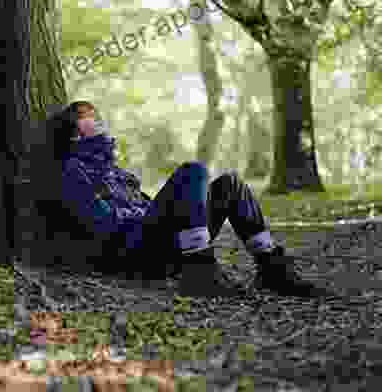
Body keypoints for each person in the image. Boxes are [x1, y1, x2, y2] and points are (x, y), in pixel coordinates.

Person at [53, 100, 337, 298]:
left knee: (230, 184)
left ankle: (272, 269)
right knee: (193, 171)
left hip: (158, 240)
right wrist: (146, 214)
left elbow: (145, 205)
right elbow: (101, 225)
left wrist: (157, 211)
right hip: (133, 252)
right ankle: (200, 270)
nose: (98, 120)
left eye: (96, 115)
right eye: (88, 116)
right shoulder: (72, 171)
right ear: (76, 133)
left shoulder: (117, 172)